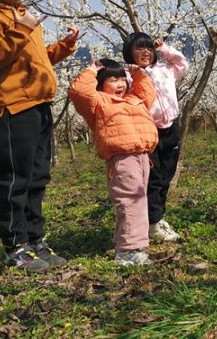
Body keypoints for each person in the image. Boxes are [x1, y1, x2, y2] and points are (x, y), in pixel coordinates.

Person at [0, 0, 80, 273]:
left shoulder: (22, 13)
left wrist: (64, 46)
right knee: (15, 180)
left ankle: (35, 240)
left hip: (39, 104)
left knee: (37, 177)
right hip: (11, 108)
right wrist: (22, 28)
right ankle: (15, 247)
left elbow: (36, 60)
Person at [69, 58, 159, 266]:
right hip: (122, 158)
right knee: (130, 200)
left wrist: (137, 74)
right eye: (112, 80)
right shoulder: (99, 102)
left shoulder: (134, 99)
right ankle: (129, 250)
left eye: (122, 80)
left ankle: (126, 242)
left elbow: (149, 93)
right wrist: (91, 70)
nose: (119, 84)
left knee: (139, 200)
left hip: (143, 155)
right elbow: (79, 92)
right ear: (101, 84)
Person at [122, 32, 189, 242]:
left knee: (167, 175)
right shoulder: (128, 75)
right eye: (139, 49)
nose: (145, 52)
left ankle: (157, 220)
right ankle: (153, 223)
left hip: (171, 129)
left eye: (149, 49)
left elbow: (182, 64)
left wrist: (165, 49)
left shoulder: (165, 69)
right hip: (147, 131)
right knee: (154, 178)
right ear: (129, 53)